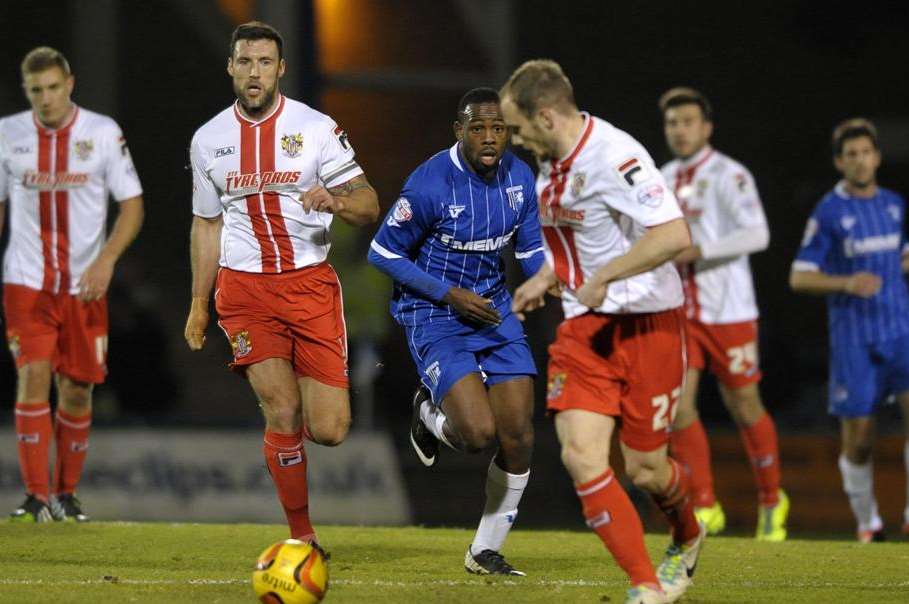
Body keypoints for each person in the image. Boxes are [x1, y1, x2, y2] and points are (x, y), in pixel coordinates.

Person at [503, 60, 704, 604]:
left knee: (646, 470)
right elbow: (579, 238)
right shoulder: (551, 161)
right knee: (581, 457)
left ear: (545, 117)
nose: (514, 142)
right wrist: (546, 277)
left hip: (648, 328)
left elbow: (675, 234)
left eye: (518, 129)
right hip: (584, 329)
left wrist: (606, 277)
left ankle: (687, 531)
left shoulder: (616, 156)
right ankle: (644, 586)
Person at [184, 22, 379, 546]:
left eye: (264, 63)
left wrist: (336, 201)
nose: (254, 73)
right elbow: (207, 225)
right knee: (282, 408)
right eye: (245, 62)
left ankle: (299, 513)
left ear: (280, 69)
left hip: (310, 286)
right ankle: (301, 537)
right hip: (245, 292)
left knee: (330, 429)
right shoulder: (208, 140)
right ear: (230, 67)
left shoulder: (315, 128)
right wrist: (200, 304)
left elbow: (368, 203)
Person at [368, 87, 544, 575]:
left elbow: (530, 254)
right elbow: (381, 253)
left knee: (520, 435)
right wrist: (448, 294)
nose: (489, 138)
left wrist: (544, 285)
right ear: (459, 131)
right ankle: (427, 414)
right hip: (435, 313)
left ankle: (484, 551)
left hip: (492, 310)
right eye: (478, 128)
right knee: (477, 435)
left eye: (498, 128)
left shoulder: (520, 178)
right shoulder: (429, 183)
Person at [0, 47, 144, 522]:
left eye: (53, 88)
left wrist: (106, 262)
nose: (45, 98)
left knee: (78, 389)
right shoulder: (7, 135)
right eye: (36, 90)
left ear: (70, 84)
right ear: (27, 91)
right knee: (33, 375)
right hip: (26, 282)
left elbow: (133, 206)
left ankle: (65, 493)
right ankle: (36, 495)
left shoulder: (101, 133)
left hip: (85, 286)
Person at [658, 87, 787, 540]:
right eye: (672, 123)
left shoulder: (731, 175)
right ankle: (707, 504)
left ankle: (772, 500)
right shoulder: (662, 176)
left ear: (706, 127)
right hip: (679, 311)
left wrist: (701, 250)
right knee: (678, 408)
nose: (679, 130)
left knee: (744, 404)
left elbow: (758, 234)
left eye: (687, 121)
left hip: (728, 309)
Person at [791, 118, 909, 542]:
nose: (860, 161)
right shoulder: (829, 211)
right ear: (841, 162)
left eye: (866, 152)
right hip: (854, 339)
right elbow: (799, 277)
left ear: (877, 157)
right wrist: (845, 282)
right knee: (860, 440)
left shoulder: (894, 204)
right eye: (851, 154)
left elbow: (901, 258)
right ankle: (867, 523)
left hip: (901, 330)